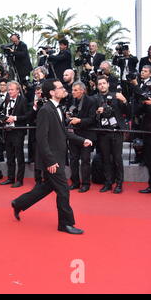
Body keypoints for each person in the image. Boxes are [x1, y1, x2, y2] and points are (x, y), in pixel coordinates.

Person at [11, 79, 93, 235]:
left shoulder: (57, 109)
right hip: (52, 160)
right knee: (63, 190)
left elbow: (63, 133)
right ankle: (65, 224)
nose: (63, 89)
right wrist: (50, 161)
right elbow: (41, 139)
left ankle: (18, 203)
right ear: (52, 92)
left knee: (46, 187)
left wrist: (82, 140)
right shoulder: (45, 110)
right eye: (60, 87)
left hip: (57, 158)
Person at [67, 82, 98, 193]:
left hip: (87, 135)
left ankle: (85, 184)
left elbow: (92, 119)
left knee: (85, 160)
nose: (73, 92)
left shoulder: (91, 101)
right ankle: (75, 182)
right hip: (74, 134)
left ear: (82, 90)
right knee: (73, 160)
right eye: (72, 90)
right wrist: (68, 116)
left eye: (75, 90)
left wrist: (79, 120)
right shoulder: (72, 100)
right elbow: (70, 112)